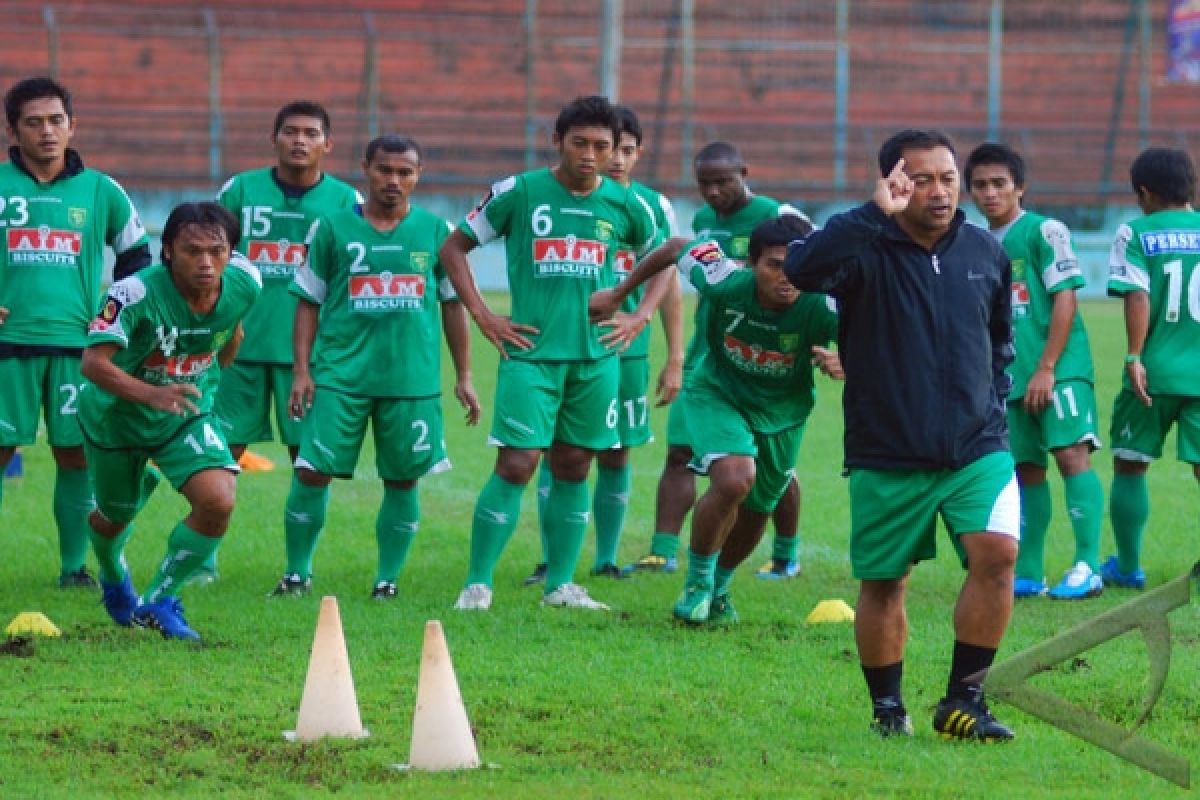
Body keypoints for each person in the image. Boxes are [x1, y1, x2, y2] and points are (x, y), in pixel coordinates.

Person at [786, 129, 1018, 741]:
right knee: (886, 583)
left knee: (997, 556)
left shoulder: (985, 252)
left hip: (977, 446)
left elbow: (999, 341)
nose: (939, 191)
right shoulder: (862, 246)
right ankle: (888, 711)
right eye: (920, 179)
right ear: (893, 183)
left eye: (947, 177)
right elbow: (801, 267)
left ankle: (964, 700)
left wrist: (989, 400)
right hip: (887, 451)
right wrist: (870, 214)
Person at [440, 95, 665, 611]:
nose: (590, 155)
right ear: (557, 141)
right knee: (517, 464)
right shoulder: (519, 192)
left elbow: (664, 258)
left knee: (574, 465)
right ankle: (477, 584)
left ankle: (561, 585)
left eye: (602, 146)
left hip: (595, 358)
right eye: (580, 143)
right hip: (531, 355)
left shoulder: (626, 204)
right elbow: (454, 247)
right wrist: (484, 315)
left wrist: (641, 313)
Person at [591, 216, 840, 624]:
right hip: (718, 394)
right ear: (750, 264)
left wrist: (848, 357)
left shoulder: (823, 303)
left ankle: (720, 589)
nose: (787, 277)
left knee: (760, 506)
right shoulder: (723, 280)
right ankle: (697, 583)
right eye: (775, 264)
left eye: (797, 265)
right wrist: (620, 294)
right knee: (735, 478)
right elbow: (674, 247)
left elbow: (875, 331)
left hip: (784, 412)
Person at [270, 135, 479, 600]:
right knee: (311, 470)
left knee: (403, 477)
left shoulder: (435, 231)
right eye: (385, 170)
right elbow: (308, 302)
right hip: (341, 377)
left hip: (411, 381)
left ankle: (387, 580)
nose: (394, 181)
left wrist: (464, 375)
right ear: (366, 168)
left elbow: (452, 305)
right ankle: (296, 574)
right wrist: (302, 370)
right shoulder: (331, 228)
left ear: (418, 176)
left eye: (405, 172)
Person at [625, 140, 810, 580]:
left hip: (766, 354)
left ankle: (786, 554)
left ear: (744, 172)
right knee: (681, 452)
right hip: (708, 354)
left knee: (773, 470)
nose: (713, 193)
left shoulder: (776, 215)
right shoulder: (706, 221)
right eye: (705, 184)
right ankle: (662, 550)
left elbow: (817, 262)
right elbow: (681, 258)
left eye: (723, 182)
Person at [80, 202, 260, 640]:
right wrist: (152, 393)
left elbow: (231, 329)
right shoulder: (132, 293)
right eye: (191, 250)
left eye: (216, 251)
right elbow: (92, 364)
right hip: (115, 418)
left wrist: (211, 369)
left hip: (186, 413)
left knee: (218, 500)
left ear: (231, 252)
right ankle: (111, 572)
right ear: (167, 252)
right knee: (113, 517)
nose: (205, 262)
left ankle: (160, 600)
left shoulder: (246, 283)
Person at [0, 76, 151, 588]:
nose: (47, 132)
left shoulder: (102, 190)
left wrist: (113, 314)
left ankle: (73, 568)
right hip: (6, 346)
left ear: (72, 125)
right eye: (34, 122)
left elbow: (137, 258)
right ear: (13, 129)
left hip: (76, 347)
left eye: (56, 121)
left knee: (75, 454)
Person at [523, 104, 683, 585]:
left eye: (625, 151)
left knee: (617, 452)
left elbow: (671, 280)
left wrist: (672, 355)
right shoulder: (567, 198)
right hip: (563, 344)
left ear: (634, 153)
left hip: (625, 349)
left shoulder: (652, 208)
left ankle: (606, 558)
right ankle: (552, 558)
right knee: (558, 451)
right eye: (611, 150)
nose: (615, 160)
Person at [964, 143, 1104, 600]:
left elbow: (1065, 296)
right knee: (1026, 470)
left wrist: (1047, 367)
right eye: (980, 185)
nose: (990, 193)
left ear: (1019, 186)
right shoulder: (975, 245)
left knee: (1070, 455)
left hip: (1058, 370)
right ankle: (1029, 570)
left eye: (999, 183)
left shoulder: (1044, 231)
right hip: (1008, 377)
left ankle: (1088, 564)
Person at [214, 101, 361, 466]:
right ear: (274, 139)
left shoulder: (346, 202)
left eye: (311, 134)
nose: (300, 141)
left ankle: (303, 525)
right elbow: (206, 252)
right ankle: (211, 523)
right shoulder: (240, 191)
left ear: (328, 144)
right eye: (290, 132)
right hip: (239, 349)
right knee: (221, 457)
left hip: (309, 359)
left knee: (309, 462)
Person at [1104, 146, 1200, 590]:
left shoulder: (1136, 233)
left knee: (1130, 463)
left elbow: (1137, 293)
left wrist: (1133, 356)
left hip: (1154, 373)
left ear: (1144, 192)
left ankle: (1128, 566)